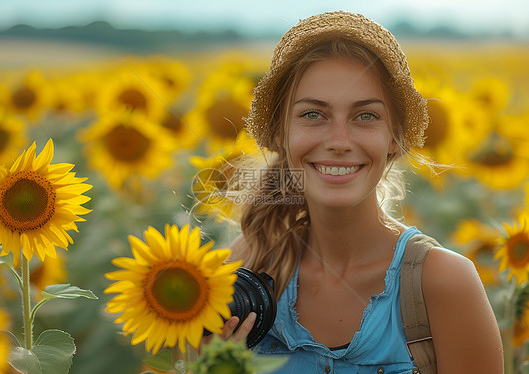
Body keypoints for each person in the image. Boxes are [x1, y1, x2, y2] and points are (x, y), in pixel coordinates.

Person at [212, 10, 504, 373]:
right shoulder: (241, 272)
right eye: (312, 115)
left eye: (365, 116)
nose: (339, 142)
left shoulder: (441, 283)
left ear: (394, 139)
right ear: (280, 134)